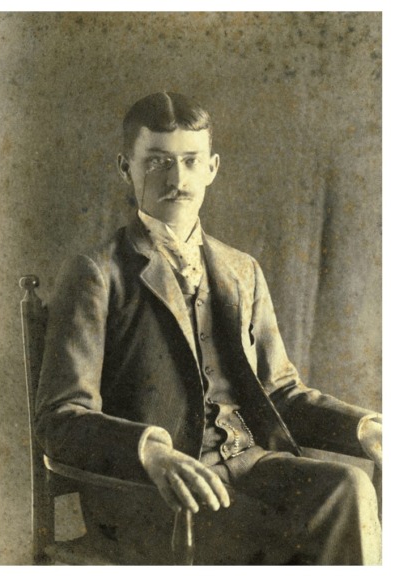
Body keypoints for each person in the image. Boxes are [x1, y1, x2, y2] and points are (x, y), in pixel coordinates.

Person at [34, 92, 382, 564]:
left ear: (212, 168)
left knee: (347, 488)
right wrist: (150, 451)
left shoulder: (241, 269)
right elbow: (60, 418)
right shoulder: (98, 273)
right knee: (292, 535)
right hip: (152, 494)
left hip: (247, 467)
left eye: (190, 161)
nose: (177, 180)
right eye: (157, 162)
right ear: (125, 167)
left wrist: (361, 427)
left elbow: (280, 393)